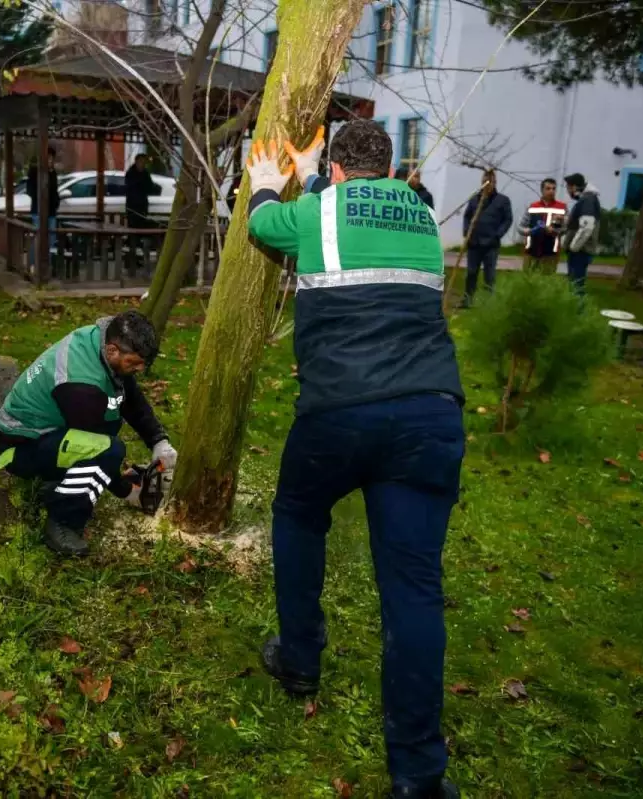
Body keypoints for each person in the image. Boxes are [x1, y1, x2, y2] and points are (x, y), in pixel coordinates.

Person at [245, 120, 465, 799]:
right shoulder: (422, 214)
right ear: (388, 167)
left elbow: (267, 226)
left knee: (300, 513)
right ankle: (420, 774)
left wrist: (262, 184)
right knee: (414, 592)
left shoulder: (316, 210)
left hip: (339, 412)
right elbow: (351, 211)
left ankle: (300, 658)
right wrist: (316, 171)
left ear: (336, 169)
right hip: (429, 413)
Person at [0, 311, 178, 557]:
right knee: (109, 450)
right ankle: (63, 522)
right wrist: (127, 491)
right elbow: (97, 449)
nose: (139, 370)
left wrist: (158, 441)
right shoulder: (81, 385)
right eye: (134, 363)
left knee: (106, 439)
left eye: (143, 363)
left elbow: (130, 396)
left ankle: (58, 480)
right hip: (19, 447)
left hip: (47, 432)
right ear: (112, 351)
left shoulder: (99, 340)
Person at [461, 169, 513, 305]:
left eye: (489, 182)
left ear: (495, 183)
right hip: (474, 243)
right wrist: (467, 232)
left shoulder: (502, 200)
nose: (487, 185)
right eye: (484, 182)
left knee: (489, 275)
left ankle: (487, 303)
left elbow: (508, 219)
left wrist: (498, 235)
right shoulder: (474, 199)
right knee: (471, 273)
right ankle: (467, 299)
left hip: (491, 244)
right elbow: (467, 216)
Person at [517, 178, 567, 274]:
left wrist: (554, 231)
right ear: (542, 190)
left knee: (547, 282)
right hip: (531, 251)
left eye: (553, 189)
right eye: (548, 188)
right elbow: (521, 227)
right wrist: (528, 231)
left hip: (551, 252)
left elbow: (566, 228)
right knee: (528, 279)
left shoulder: (562, 207)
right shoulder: (533, 206)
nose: (551, 191)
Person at [563, 173, 601, 295]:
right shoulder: (586, 199)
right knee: (575, 282)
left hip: (580, 251)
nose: (568, 191)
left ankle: (576, 310)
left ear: (573, 187)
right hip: (580, 250)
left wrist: (574, 247)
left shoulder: (587, 200)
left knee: (576, 284)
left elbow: (587, 226)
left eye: (568, 188)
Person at [26, 146, 60, 267]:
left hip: (51, 212)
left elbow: (55, 190)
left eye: (51, 158)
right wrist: (40, 198)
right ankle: (33, 264)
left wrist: (56, 202)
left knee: (51, 240)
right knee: (37, 239)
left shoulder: (53, 173)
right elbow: (29, 190)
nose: (50, 160)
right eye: (48, 158)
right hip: (38, 211)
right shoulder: (34, 171)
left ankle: (47, 265)